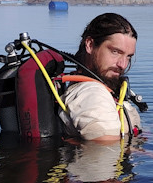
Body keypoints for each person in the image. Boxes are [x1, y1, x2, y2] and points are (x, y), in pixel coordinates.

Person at [59, 13, 144, 143]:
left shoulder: (102, 89)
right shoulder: (92, 94)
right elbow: (107, 148)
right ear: (90, 45)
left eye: (128, 56)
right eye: (115, 52)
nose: (123, 64)